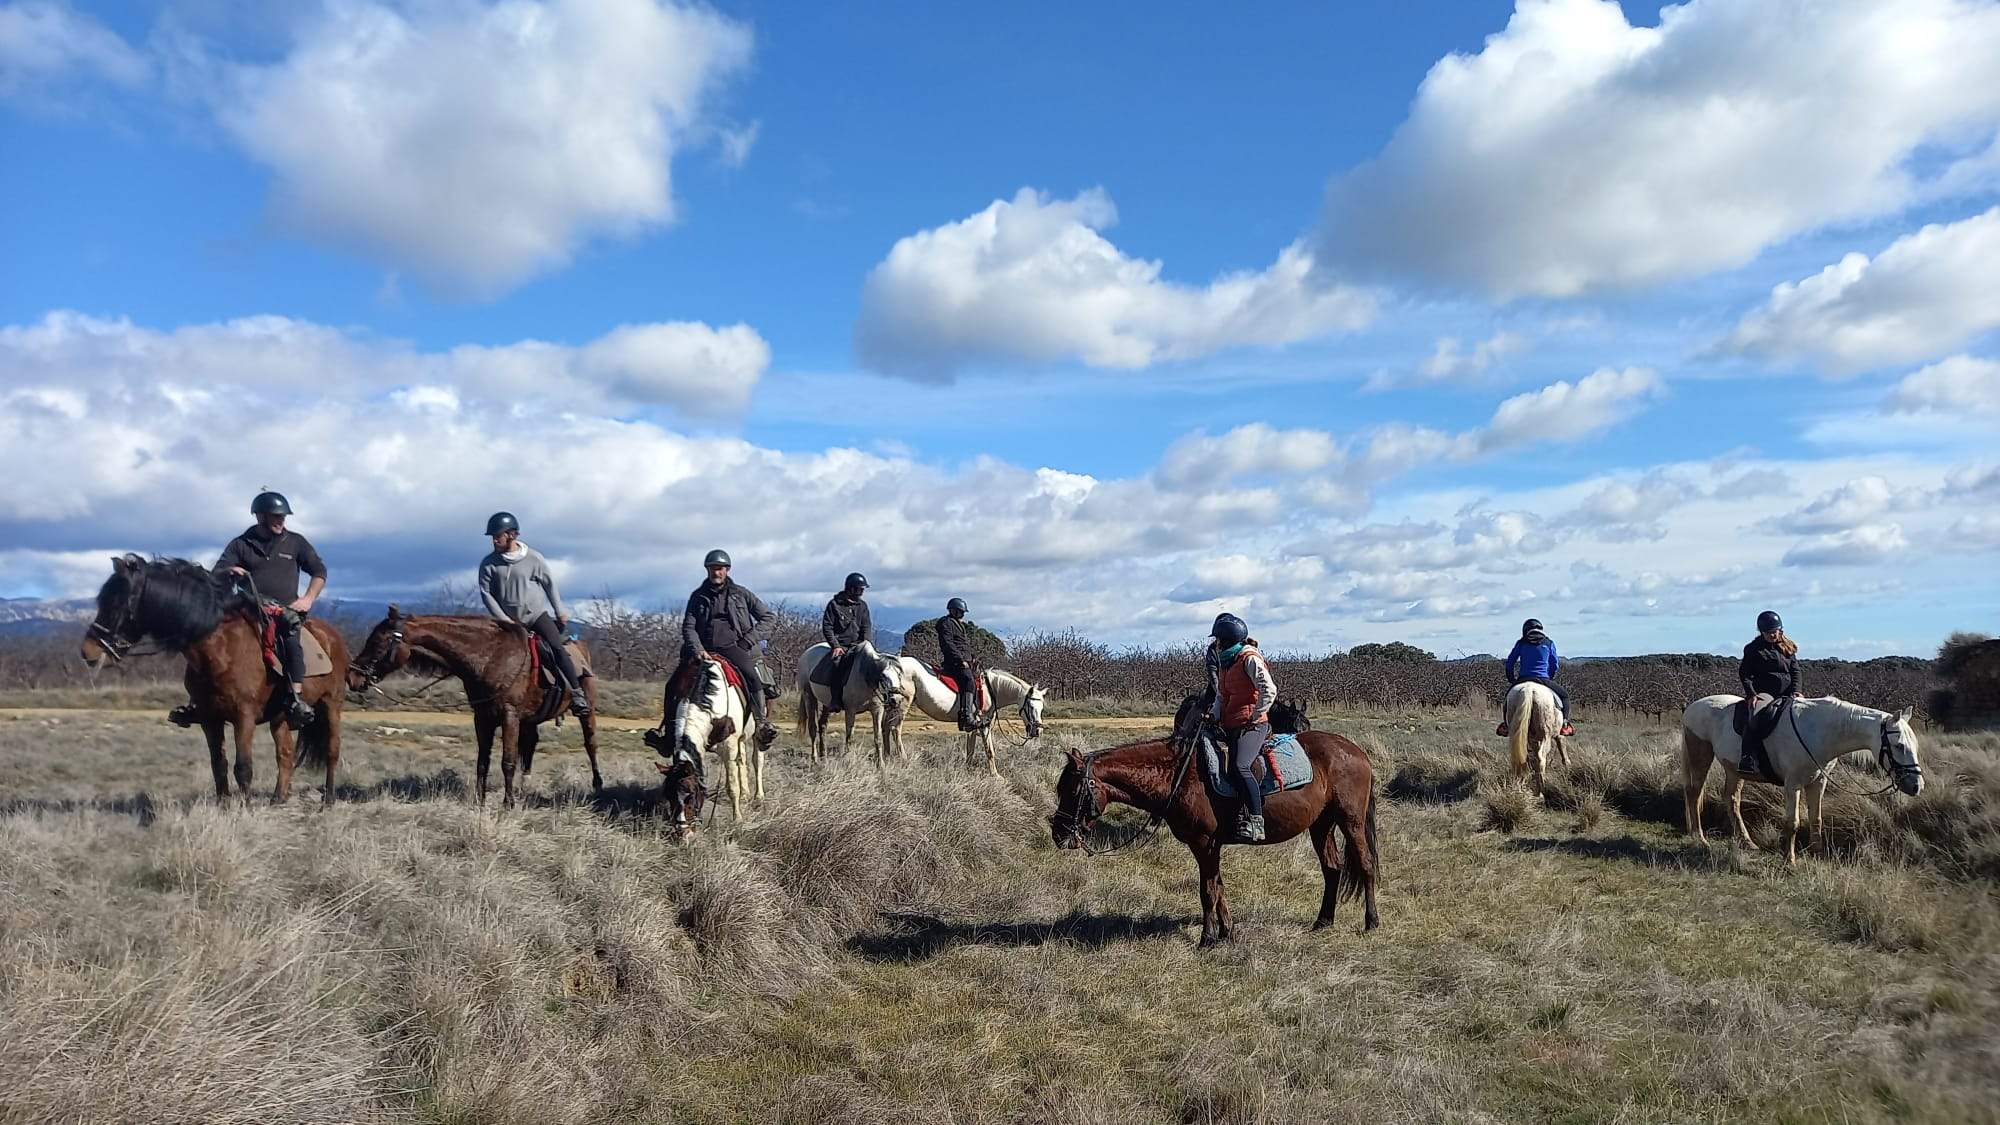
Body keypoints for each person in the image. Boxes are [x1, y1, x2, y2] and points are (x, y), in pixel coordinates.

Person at [169, 490, 324, 729]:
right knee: (209, 639)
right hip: (246, 608)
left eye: (283, 516)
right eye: (275, 516)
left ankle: (295, 698)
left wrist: (307, 599)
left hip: (284, 610)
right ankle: (197, 700)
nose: (281, 521)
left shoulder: (296, 542)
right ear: (260, 517)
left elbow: (319, 572)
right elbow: (216, 574)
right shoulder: (241, 544)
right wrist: (229, 572)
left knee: (291, 641)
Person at [477, 512, 589, 719]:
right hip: (507, 622)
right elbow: (486, 594)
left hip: (535, 616)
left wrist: (559, 610)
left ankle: (576, 693)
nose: (494, 539)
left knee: (556, 648)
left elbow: (549, 584)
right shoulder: (489, 563)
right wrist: (503, 619)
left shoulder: (533, 558)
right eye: (492, 536)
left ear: (511, 535)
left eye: (498, 535)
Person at [663, 549, 776, 749]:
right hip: (703, 650)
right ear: (707, 570)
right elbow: (688, 626)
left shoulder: (741, 594)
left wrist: (748, 641)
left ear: (727, 570)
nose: (717, 572)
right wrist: (697, 649)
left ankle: (762, 724)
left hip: (734, 647)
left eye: (720, 569)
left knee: (752, 677)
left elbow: (768, 617)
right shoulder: (697, 597)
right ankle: (668, 736)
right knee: (672, 685)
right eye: (713, 568)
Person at [1206, 612, 1276, 843]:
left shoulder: (1249, 658)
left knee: (1240, 765)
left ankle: (1257, 821)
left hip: (1252, 726)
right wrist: (1214, 714)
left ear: (1225, 639)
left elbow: (1269, 689)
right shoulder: (1227, 661)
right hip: (1231, 723)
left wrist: (1256, 715)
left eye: (1217, 639)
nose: (1215, 643)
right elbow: (1221, 695)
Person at [1738, 609, 1802, 774]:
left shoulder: (1788, 647)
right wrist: (1752, 694)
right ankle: (1747, 757)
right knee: (1755, 714)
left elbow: (1796, 672)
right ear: (1762, 632)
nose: (1773, 635)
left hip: (1788, 693)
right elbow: (1745, 674)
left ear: (1780, 630)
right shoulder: (1753, 649)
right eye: (1769, 633)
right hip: (1765, 693)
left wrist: (1797, 690)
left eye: (1775, 632)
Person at [1496, 618, 1575, 737]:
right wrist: (1549, 677)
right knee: (1565, 696)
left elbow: (1510, 663)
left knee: (1507, 699)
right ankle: (1565, 725)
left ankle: (1506, 726)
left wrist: (1512, 679)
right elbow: (1554, 665)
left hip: (1524, 679)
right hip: (1543, 679)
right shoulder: (1549, 643)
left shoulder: (1521, 643)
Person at [814, 572, 872, 709]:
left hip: (859, 644)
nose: (862, 592)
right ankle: (835, 699)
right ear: (851, 589)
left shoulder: (862, 606)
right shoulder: (834, 605)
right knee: (837, 664)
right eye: (860, 589)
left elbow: (866, 626)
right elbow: (827, 627)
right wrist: (835, 646)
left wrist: (866, 643)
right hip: (841, 645)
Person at [936, 597, 985, 731]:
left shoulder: (958, 624)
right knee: (968, 680)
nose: (963, 615)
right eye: (961, 612)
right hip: (953, 662)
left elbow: (963, 645)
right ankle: (966, 717)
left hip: (964, 660)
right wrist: (960, 660)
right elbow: (948, 644)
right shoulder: (945, 623)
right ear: (954, 611)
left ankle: (977, 711)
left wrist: (973, 657)